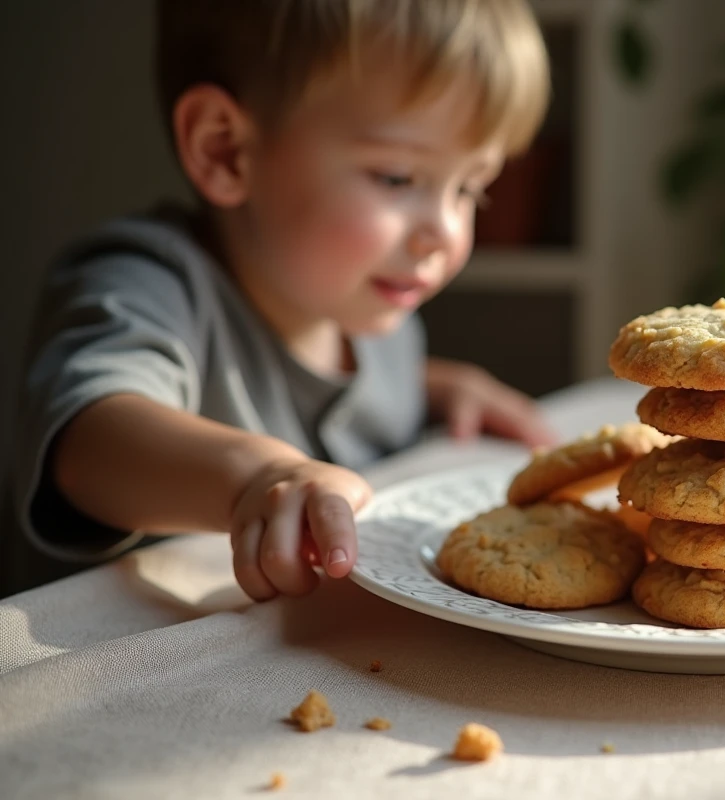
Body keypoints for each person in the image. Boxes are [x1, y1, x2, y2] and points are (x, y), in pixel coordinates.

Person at [6, 0, 556, 599]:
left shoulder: (375, 315)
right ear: (225, 151)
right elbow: (89, 445)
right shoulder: (146, 279)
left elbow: (311, 382)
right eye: (397, 177)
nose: (445, 233)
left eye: (471, 189)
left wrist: (435, 386)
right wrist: (256, 477)